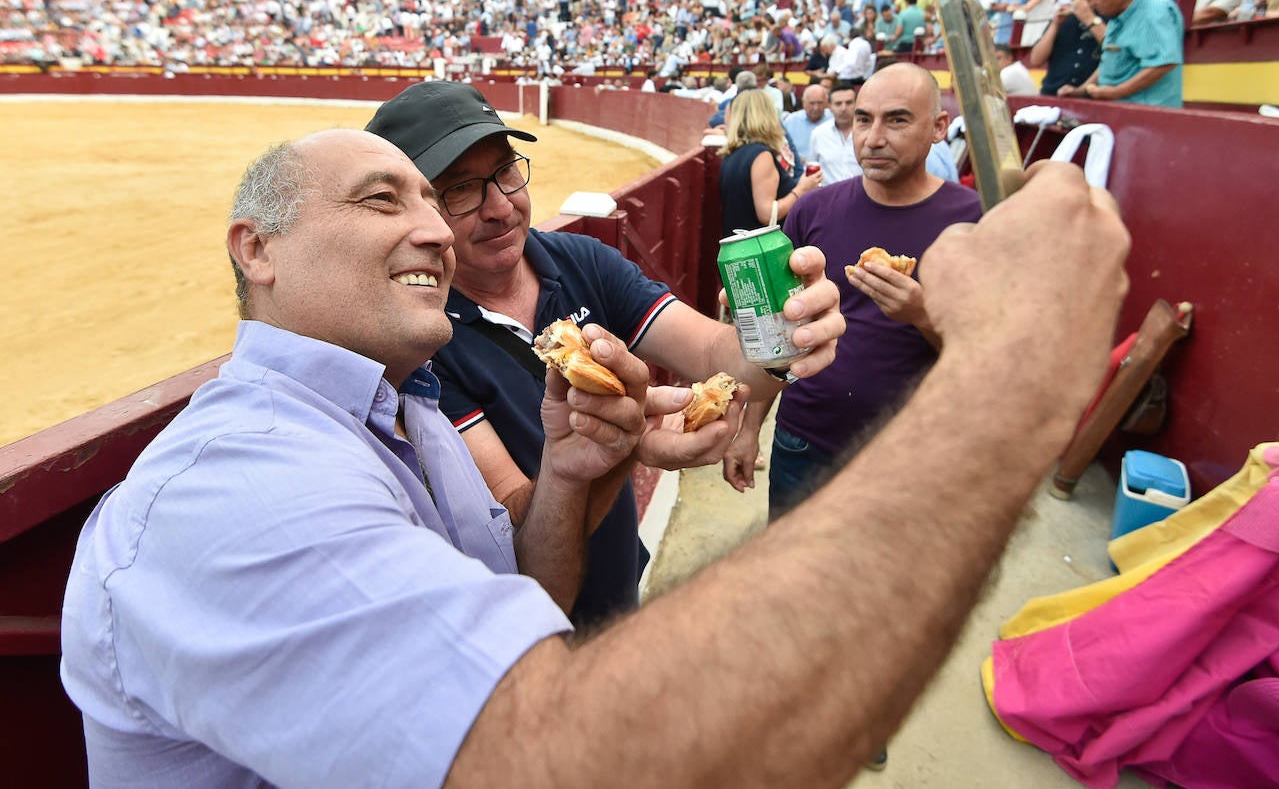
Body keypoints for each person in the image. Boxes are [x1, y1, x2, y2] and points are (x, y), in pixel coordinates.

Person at [61, 128, 1131, 789]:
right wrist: (1013, 363)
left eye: (450, 199)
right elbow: (559, 760)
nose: (443, 228)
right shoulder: (234, 488)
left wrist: (584, 477)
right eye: (389, 199)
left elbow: (529, 601)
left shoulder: (408, 413)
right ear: (257, 248)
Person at [362, 83, 842, 625]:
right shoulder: (417, 340)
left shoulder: (580, 259)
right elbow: (513, 529)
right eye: (460, 190)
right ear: (416, 212)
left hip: (616, 590)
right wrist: (625, 445)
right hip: (516, 635)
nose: (500, 207)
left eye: (505, 172)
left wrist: (784, 334)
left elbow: (714, 350)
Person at [725, 60, 986, 520]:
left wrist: (922, 314)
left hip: (909, 455)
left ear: (939, 127)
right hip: (802, 441)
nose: (874, 137)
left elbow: (991, 362)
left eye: (898, 119)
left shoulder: (973, 220)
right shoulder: (814, 209)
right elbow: (783, 334)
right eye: (864, 119)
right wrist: (748, 431)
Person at [1060, 0, 1185, 106]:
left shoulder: (1154, 11)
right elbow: (1112, 60)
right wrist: (1082, 90)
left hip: (1148, 114)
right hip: (1124, 111)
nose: (1093, 1)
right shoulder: (1118, 14)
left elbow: (1163, 64)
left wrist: (1116, 92)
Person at [718, 89, 822, 232]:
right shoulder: (761, 155)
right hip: (760, 249)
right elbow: (767, 215)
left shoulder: (733, 153)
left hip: (740, 246)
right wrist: (802, 189)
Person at [807, 79, 862, 186]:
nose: (843, 108)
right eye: (838, 104)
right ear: (830, 107)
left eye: (849, 103)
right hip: (828, 198)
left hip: (861, 197)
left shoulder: (868, 133)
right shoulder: (819, 134)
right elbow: (812, 169)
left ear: (857, 104)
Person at [782, 82, 834, 161]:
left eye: (820, 103)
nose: (816, 108)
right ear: (803, 103)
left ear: (827, 103)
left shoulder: (834, 119)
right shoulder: (790, 121)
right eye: (812, 103)